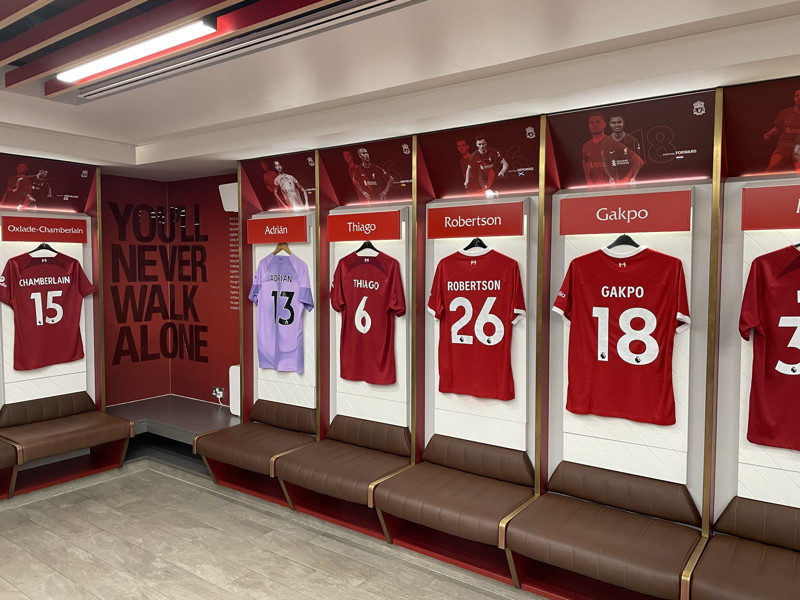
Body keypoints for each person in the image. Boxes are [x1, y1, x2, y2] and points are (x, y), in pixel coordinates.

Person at [762, 88, 800, 172]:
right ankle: (763, 183)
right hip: (786, 143)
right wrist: (769, 134)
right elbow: (777, 127)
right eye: (797, 96)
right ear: (794, 98)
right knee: (773, 164)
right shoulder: (785, 113)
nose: (799, 98)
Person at [602, 115, 644, 184]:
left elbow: (638, 161)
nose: (617, 125)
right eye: (614, 123)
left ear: (623, 123)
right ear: (610, 124)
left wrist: (633, 177)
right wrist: (610, 177)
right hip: (614, 183)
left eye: (619, 122)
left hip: (631, 182)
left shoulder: (632, 140)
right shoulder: (605, 142)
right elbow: (604, 163)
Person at [581, 113, 612, 185]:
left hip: (612, 186)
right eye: (591, 123)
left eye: (597, 122)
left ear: (604, 124)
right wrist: (588, 180)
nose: (594, 125)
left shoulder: (612, 142)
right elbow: (585, 162)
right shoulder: (586, 145)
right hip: (594, 187)